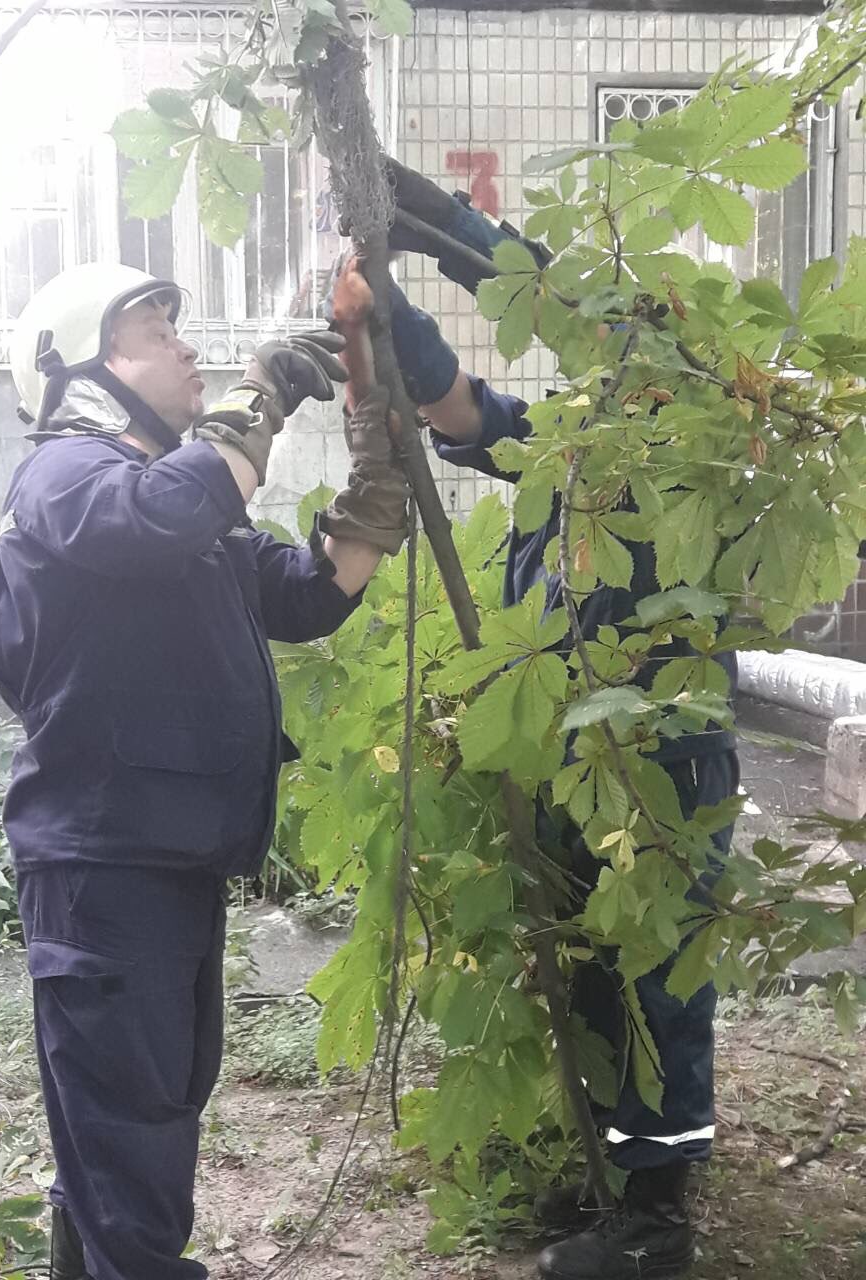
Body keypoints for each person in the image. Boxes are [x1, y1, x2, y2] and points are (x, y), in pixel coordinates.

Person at [0, 261, 411, 1280]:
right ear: (84, 368)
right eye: (151, 329)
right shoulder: (66, 476)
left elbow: (304, 595)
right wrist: (257, 397)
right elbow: (153, 515)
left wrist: (375, 475)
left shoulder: (182, 505)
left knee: (146, 1108)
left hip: (166, 860)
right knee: (133, 1131)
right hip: (103, 862)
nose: (183, 346)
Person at [379, 162, 740, 1280]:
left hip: (661, 759)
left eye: (634, 337)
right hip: (570, 756)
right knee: (590, 969)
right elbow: (458, 406)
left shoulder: (699, 448)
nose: (609, 358)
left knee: (658, 978)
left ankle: (658, 1222)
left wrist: (450, 228)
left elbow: (592, 313)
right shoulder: (566, 445)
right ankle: (613, 1171)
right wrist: (387, 312)